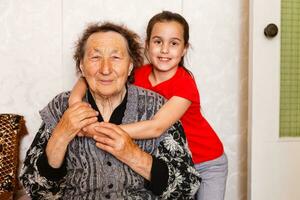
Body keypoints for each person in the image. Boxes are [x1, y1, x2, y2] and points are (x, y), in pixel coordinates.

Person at [19, 22, 201, 200]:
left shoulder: (158, 108)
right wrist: (61, 135)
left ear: (130, 66)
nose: (105, 69)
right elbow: (35, 189)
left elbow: (187, 186)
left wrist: (132, 154)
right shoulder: (61, 107)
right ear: (81, 66)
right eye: (95, 57)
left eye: (116, 57)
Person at [69, 11, 228, 200]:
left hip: (206, 162)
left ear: (184, 49)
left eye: (174, 43)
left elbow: (156, 127)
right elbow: (88, 77)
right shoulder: (138, 73)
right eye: (158, 41)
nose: (164, 50)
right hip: (172, 161)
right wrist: (75, 102)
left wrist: (100, 131)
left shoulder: (185, 84)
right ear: (147, 45)